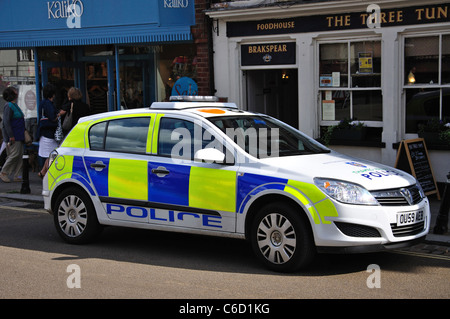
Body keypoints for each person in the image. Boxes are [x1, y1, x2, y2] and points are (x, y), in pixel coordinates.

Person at [0, 87, 25, 183]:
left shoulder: (14, 105)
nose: (17, 93)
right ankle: (4, 172)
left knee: (20, 156)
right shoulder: (9, 106)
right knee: (14, 155)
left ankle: (17, 175)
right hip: (14, 135)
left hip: (19, 134)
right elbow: (6, 122)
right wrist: (10, 136)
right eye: (15, 91)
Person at [36, 83, 60, 178]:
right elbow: (52, 117)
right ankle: (45, 174)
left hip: (43, 132)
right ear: (52, 94)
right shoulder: (48, 104)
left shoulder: (42, 103)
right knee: (53, 155)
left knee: (51, 155)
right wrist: (59, 114)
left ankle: (42, 172)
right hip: (49, 133)